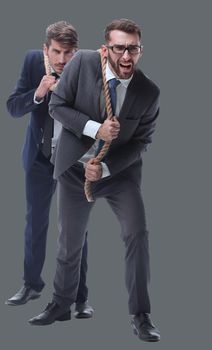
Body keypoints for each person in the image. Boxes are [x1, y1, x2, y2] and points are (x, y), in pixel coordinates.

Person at [29, 18, 160, 342]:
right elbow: (57, 106)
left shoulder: (148, 92)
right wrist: (94, 129)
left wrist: (104, 169)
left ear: (140, 51)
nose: (126, 56)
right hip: (75, 169)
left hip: (119, 174)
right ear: (106, 49)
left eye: (133, 48)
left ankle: (140, 315)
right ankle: (61, 303)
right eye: (119, 48)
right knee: (69, 241)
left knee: (137, 234)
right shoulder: (83, 63)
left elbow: (141, 142)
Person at [6, 21, 93, 319]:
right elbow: (13, 107)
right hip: (39, 158)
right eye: (56, 51)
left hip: (72, 160)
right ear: (45, 49)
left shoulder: (87, 66)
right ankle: (31, 284)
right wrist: (39, 92)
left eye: (68, 53)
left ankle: (81, 297)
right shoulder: (32, 61)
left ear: (76, 51)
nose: (61, 59)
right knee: (35, 224)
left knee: (75, 230)